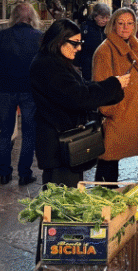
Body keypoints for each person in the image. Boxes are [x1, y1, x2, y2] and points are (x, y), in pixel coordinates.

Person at [29, 19, 129, 188]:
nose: (79, 48)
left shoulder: (56, 61)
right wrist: (113, 85)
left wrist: (113, 86)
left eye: (80, 43)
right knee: (62, 197)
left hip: (65, 144)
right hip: (58, 146)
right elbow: (79, 97)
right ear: (59, 41)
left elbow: (82, 87)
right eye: (75, 43)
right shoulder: (47, 65)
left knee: (68, 193)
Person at [0, 2, 43, 186]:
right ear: (32, 17)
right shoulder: (39, 37)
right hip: (29, 91)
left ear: (14, 17)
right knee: (29, 134)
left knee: (5, 133)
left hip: (6, 90)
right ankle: (24, 174)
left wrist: (2, 77)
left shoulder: (2, 35)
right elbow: (44, 66)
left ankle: (4, 174)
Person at [92, 6, 138, 182]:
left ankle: (109, 192)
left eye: (130, 23)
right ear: (113, 25)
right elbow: (100, 88)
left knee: (112, 161)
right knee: (107, 160)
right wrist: (115, 111)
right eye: (121, 23)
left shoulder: (130, 45)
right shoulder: (105, 50)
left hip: (126, 113)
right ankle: (104, 195)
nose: (125, 27)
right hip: (115, 115)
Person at [77, 2, 111, 81]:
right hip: (88, 65)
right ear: (95, 16)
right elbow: (79, 46)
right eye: (102, 17)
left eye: (107, 18)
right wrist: (77, 63)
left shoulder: (109, 29)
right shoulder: (86, 28)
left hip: (105, 65)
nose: (105, 20)